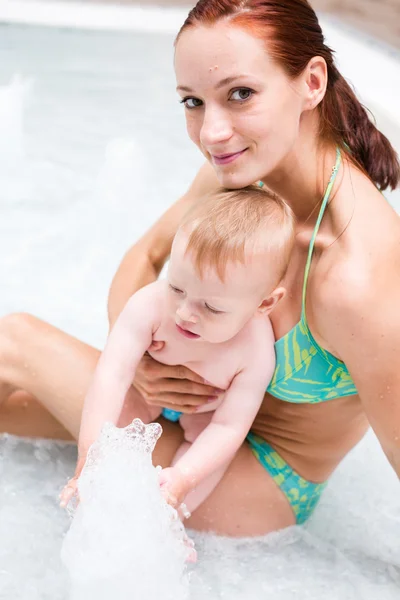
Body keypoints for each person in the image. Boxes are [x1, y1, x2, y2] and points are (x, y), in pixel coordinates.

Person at [0, 0, 399, 535]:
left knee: (15, 341)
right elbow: (145, 257)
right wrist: (144, 361)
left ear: (312, 82)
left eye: (241, 94)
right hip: (175, 415)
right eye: (193, 101)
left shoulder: (356, 277)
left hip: (255, 481)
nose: (212, 132)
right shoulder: (240, 177)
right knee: (8, 407)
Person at [60, 186, 294, 514]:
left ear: (264, 303)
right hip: (146, 394)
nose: (184, 312)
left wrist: (184, 478)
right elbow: (112, 374)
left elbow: (229, 426)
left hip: (206, 416)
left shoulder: (255, 353)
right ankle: (87, 480)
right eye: (177, 287)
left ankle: (172, 522)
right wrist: (90, 451)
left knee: (205, 460)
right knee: (114, 430)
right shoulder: (150, 305)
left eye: (211, 307)